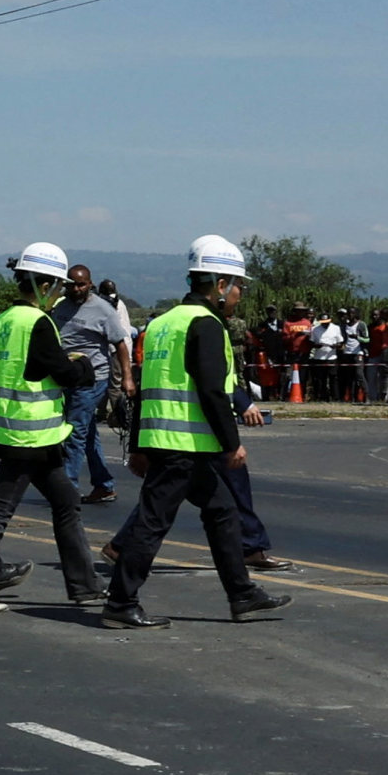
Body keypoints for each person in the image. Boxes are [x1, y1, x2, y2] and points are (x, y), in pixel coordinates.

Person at [102, 236, 287, 630]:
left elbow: (144, 388)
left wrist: (139, 444)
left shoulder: (162, 324)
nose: (240, 294)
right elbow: (212, 390)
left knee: (222, 511)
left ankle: (242, 594)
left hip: (168, 441)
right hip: (183, 445)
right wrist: (232, 444)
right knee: (153, 523)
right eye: (238, 286)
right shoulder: (206, 325)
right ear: (220, 285)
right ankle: (120, 601)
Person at [0, 242, 100, 613]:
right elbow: (64, 372)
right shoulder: (38, 322)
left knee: (66, 503)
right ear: (43, 285)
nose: (60, 293)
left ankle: (85, 585)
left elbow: (25, 369)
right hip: (32, 433)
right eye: (57, 285)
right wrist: (84, 366)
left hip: (16, 430)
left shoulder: (0, 323)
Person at [59, 266, 130, 504]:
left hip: (92, 379)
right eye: (72, 285)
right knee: (87, 432)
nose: (76, 289)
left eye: (81, 284)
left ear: (90, 284)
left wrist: (127, 379)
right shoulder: (60, 307)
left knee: (74, 431)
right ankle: (104, 485)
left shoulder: (103, 310)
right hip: (67, 377)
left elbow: (120, 345)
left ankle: (67, 489)